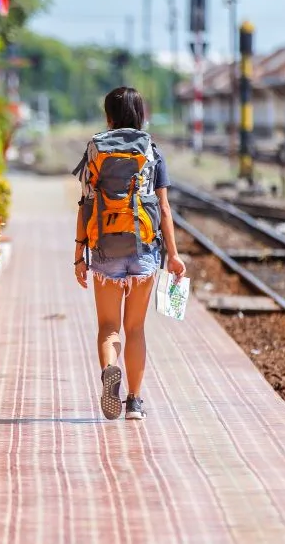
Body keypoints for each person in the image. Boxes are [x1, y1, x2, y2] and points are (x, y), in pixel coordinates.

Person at [73, 87, 186, 421]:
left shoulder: (95, 148)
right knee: (135, 328)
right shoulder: (151, 149)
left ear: (109, 117)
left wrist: (80, 254)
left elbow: (86, 204)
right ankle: (135, 402)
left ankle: (111, 368)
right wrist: (175, 255)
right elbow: (164, 209)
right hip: (144, 250)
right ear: (141, 115)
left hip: (105, 248)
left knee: (109, 327)